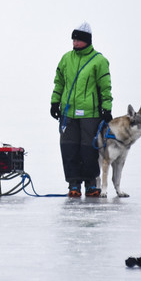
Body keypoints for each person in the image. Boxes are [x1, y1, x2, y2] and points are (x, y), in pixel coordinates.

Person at [50, 22, 113, 198]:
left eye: (78, 40)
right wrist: (55, 103)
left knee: (88, 151)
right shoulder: (66, 59)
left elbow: (105, 87)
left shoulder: (99, 61)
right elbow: (59, 82)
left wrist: (106, 109)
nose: (75, 43)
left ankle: (91, 185)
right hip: (68, 114)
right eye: (73, 39)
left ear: (87, 41)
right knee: (69, 149)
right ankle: (73, 185)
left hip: (90, 115)